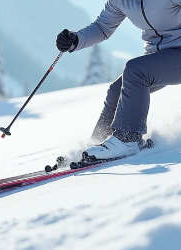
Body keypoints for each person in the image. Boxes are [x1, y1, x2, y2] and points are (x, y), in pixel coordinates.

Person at [56, 0, 181, 160]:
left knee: (136, 71)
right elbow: (102, 27)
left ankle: (127, 139)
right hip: (160, 57)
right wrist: (76, 40)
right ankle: (99, 143)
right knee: (117, 90)